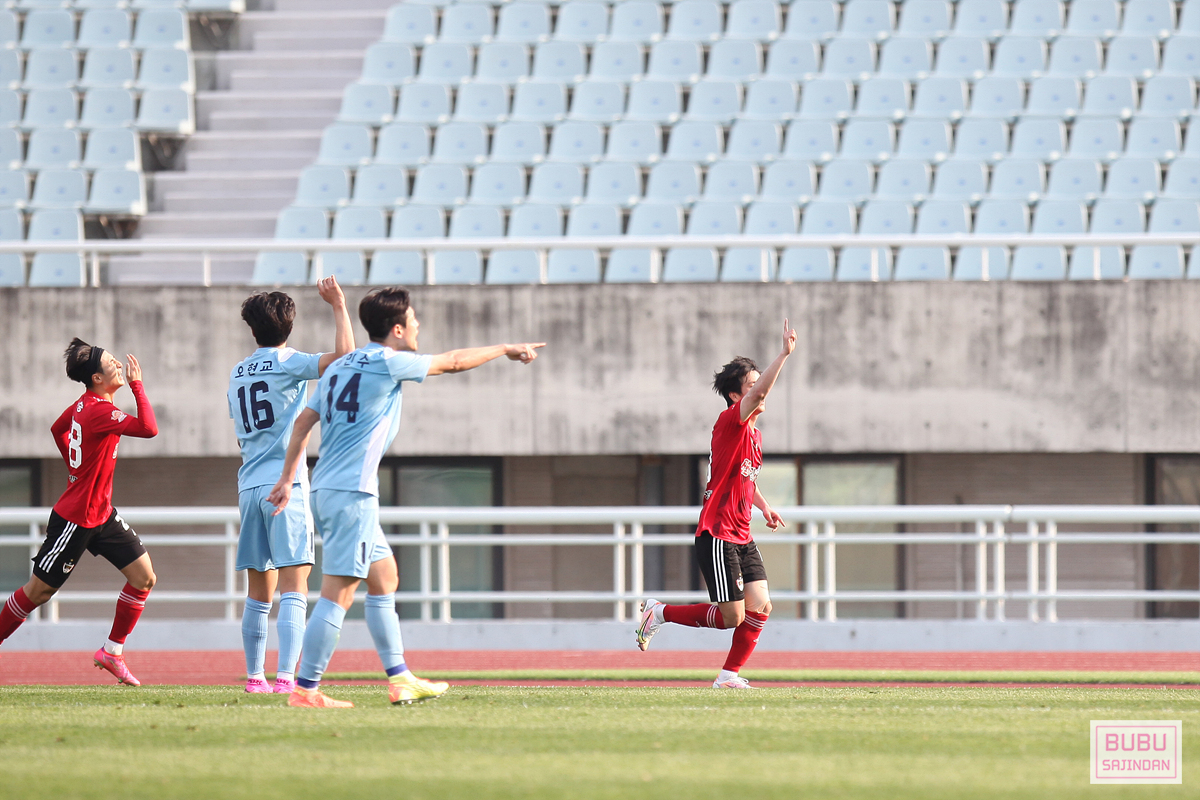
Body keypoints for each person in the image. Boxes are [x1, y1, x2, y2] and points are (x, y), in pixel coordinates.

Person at [267, 287, 545, 709]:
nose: (418, 325)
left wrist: (289, 477)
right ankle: (306, 690)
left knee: (385, 577)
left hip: (329, 488)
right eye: (413, 320)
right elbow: (453, 362)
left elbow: (304, 420)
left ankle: (400, 679)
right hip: (352, 493)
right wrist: (506, 348)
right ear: (396, 330)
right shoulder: (388, 361)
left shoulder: (341, 366)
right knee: (339, 593)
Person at [635, 319, 797, 689]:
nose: (761, 391)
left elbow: (744, 478)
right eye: (753, 385)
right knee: (732, 617)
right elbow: (760, 394)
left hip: (741, 534)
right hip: (718, 534)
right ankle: (659, 612)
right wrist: (784, 355)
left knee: (761, 605)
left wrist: (763, 506)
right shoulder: (730, 421)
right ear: (737, 397)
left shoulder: (753, 435)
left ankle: (728, 676)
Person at [0, 339, 159, 685]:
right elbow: (149, 428)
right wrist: (137, 386)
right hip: (75, 520)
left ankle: (112, 652)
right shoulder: (99, 411)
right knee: (38, 593)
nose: (120, 365)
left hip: (101, 514)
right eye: (112, 363)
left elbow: (58, 429)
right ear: (97, 379)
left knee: (144, 577)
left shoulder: (85, 405)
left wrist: (77, 468)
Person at [229, 277, 355, 694]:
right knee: (294, 585)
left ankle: (254, 678)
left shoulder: (238, 372)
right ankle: (286, 678)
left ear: (252, 329)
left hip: (249, 486)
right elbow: (346, 359)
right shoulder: (289, 362)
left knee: (257, 591)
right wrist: (338, 305)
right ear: (289, 325)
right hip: (285, 485)